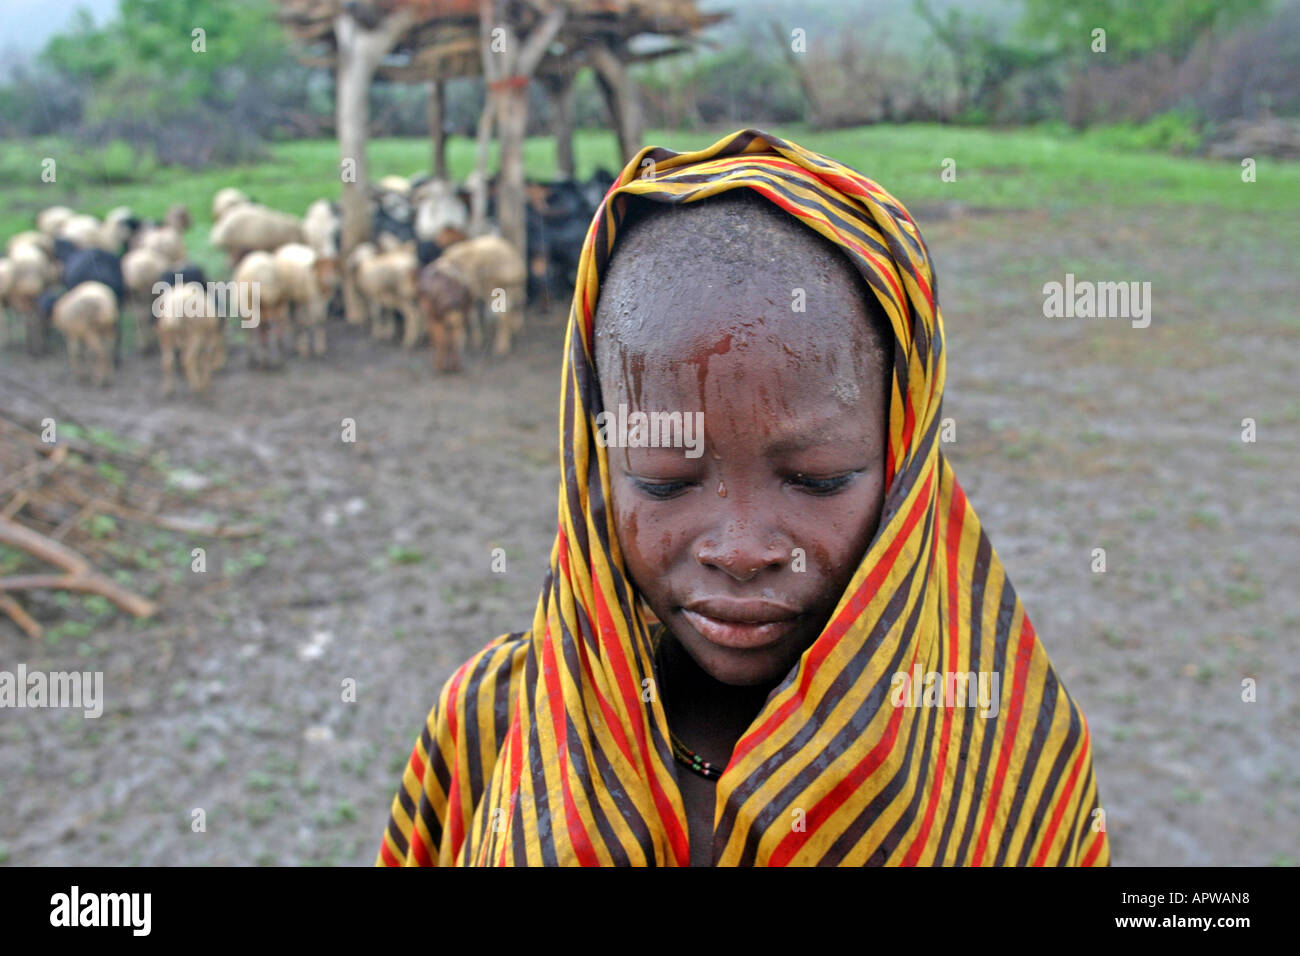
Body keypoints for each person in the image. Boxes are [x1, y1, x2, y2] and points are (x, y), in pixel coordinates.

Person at [376, 128, 1110, 867]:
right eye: (663, 479)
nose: (741, 550)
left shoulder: (1001, 746)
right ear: (593, 467)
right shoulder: (487, 726)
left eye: (818, 478)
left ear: (905, 465)